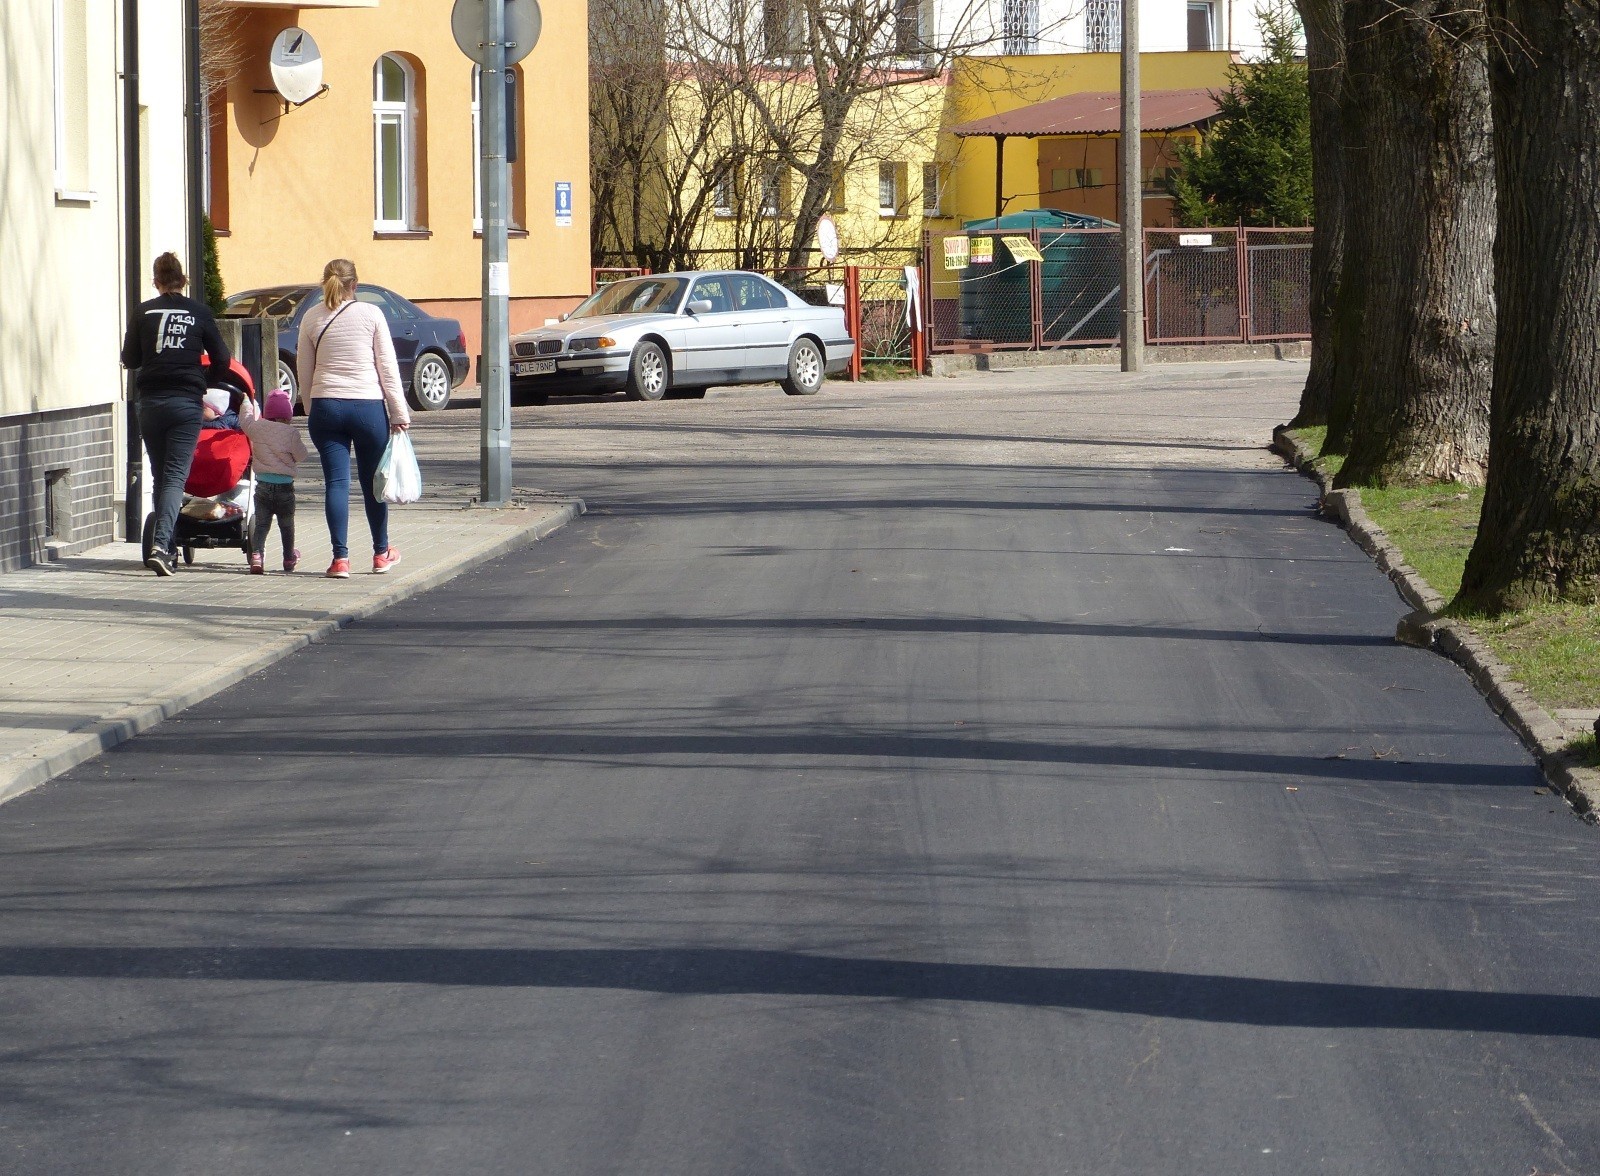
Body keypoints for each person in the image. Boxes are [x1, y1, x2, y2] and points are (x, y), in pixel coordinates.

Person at [296, 259, 411, 578]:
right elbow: (387, 367)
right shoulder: (371, 314)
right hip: (367, 407)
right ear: (355, 285)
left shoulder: (311, 317)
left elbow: (304, 369)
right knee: (374, 482)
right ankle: (381, 553)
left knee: (336, 482)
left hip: (326, 406)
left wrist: (312, 407)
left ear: (325, 283)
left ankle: (340, 559)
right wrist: (398, 412)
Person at [120, 252, 232, 577]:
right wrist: (202, 381)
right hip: (185, 403)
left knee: (161, 476)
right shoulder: (198, 312)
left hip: (151, 403)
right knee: (173, 477)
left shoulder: (143, 312)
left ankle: (166, 546)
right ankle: (161, 546)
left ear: (155, 281)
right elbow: (222, 359)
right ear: (183, 280)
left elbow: (130, 359)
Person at [239, 389, 309, 574]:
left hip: (262, 486)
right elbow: (301, 455)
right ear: (287, 415)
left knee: (262, 524)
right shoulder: (291, 433)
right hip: (285, 488)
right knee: (286, 525)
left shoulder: (257, 427)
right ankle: (288, 557)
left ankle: (257, 556)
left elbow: (245, 421)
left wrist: (246, 403)